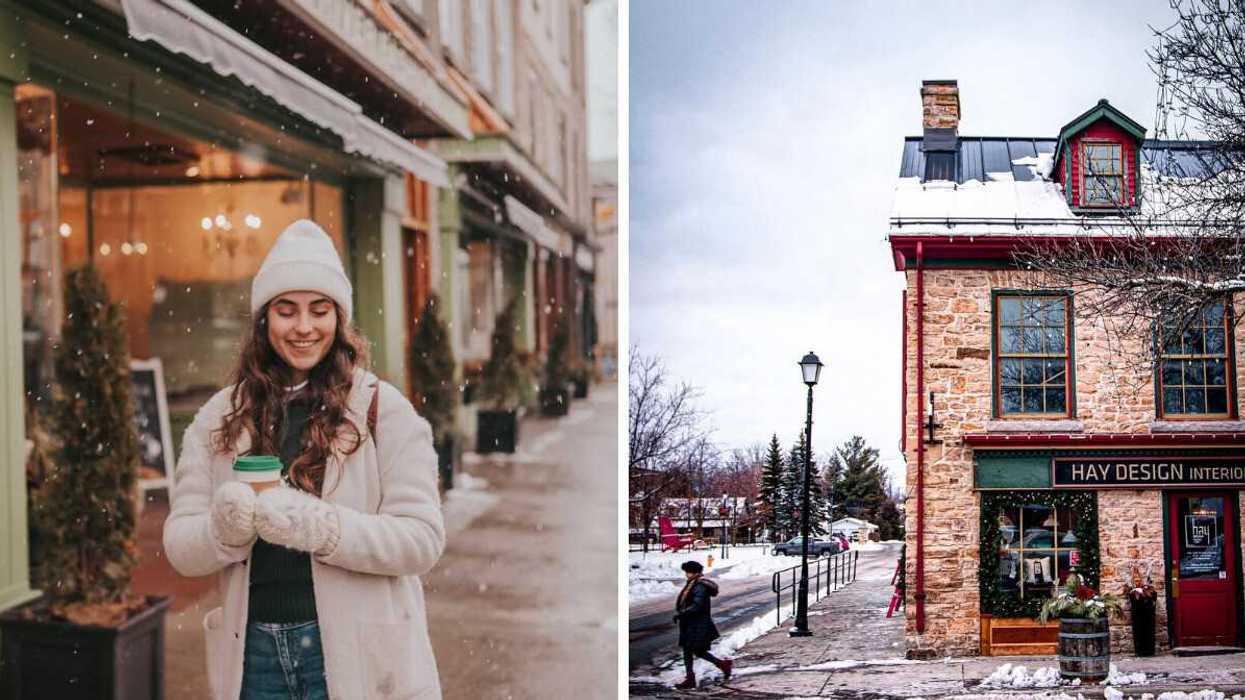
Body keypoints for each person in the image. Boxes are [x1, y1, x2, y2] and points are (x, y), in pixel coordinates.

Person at [163, 219, 446, 700]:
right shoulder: (220, 417)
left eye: (320, 310)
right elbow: (181, 547)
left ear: (339, 319)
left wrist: (321, 528)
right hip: (254, 655)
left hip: (357, 654)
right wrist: (223, 530)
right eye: (286, 310)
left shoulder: (382, 409)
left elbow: (422, 540)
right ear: (263, 319)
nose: (303, 327)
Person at [672, 560, 732, 690]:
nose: (686, 575)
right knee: (688, 650)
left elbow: (697, 605)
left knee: (697, 650)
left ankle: (722, 665)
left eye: (687, 572)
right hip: (690, 623)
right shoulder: (693, 583)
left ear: (693, 572)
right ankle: (690, 678)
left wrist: (682, 614)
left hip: (697, 623)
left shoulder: (699, 586)